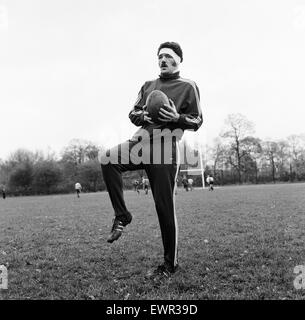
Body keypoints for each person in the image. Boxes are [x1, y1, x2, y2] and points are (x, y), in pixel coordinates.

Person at [100, 41, 202, 278]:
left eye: (168, 56)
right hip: (140, 142)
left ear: (179, 59)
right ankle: (122, 215)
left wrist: (178, 117)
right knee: (108, 159)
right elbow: (133, 113)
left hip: (165, 146)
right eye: (159, 57)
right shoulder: (148, 85)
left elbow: (197, 121)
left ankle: (170, 265)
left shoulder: (189, 86)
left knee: (164, 207)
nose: (162, 60)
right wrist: (144, 113)